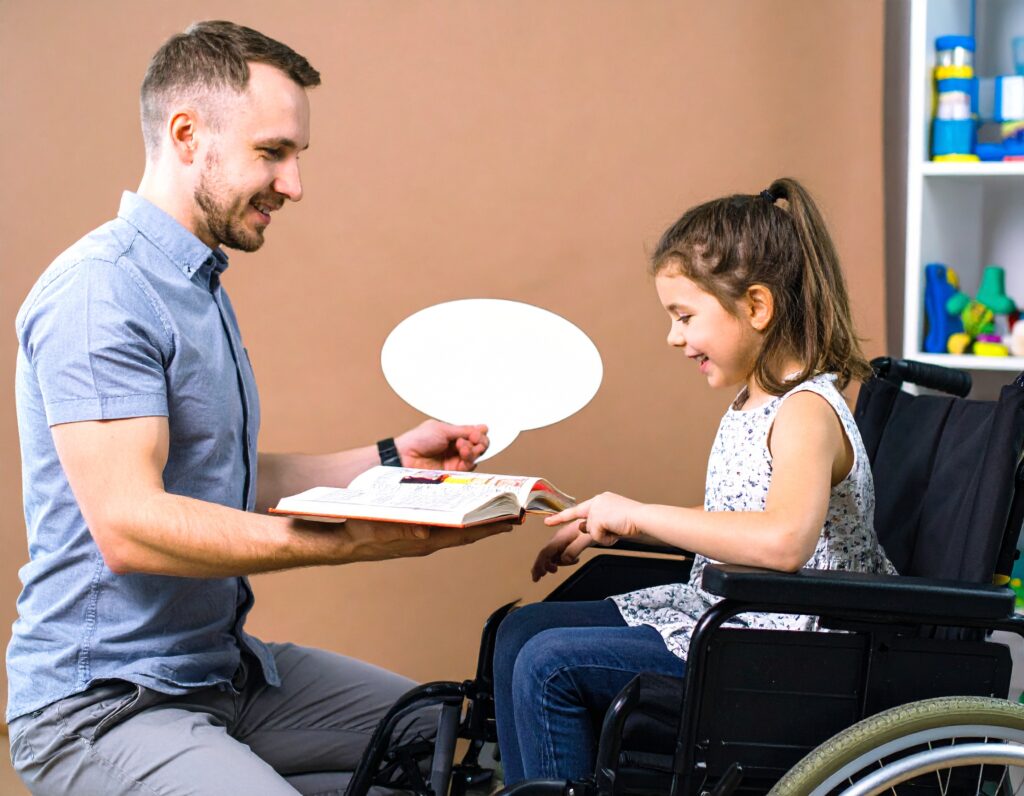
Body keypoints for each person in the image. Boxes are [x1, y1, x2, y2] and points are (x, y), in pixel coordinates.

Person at [7, 20, 510, 796]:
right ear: (186, 135)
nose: (294, 184)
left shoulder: (196, 285)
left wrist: (389, 459)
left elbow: (223, 474)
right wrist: (348, 541)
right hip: (106, 707)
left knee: (470, 741)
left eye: (296, 156)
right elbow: (132, 526)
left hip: (226, 674)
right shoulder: (101, 291)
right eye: (272, 153)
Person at [492, 178, 897, 785]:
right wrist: (608, 524)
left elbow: (784, 541)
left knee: (549, 664)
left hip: (787, 651)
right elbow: (737, 521)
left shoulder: (806, 411)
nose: (673, 337)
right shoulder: (754, 399)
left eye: (684, 316)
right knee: (519, 630)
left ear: (756, 307)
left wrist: (638, 514)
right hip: (734, 618)